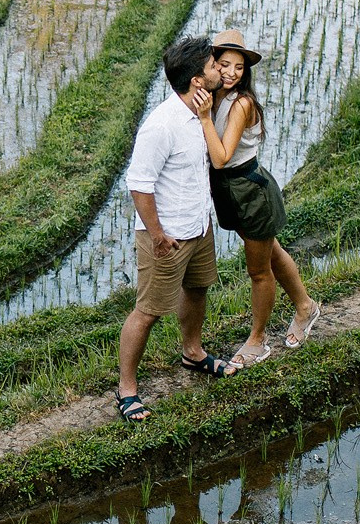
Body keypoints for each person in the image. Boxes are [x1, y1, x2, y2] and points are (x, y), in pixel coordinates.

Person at [116, 34, 235, 422]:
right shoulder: (161, 125)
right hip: (166, 238)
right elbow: (139, 183)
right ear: (197, 81)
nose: (220, 69)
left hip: (198, 227)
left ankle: (193, 352)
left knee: (198, 289)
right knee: (148, 312)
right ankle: (127, 389)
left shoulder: (201, 113)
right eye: (214, 65)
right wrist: (156, 234)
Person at [193, 29, 320, 368]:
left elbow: (220, 157)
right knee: (271, 251)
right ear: (212, 65)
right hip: (230, 191)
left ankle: (257, 340)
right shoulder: (214, 95)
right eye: (223, 64)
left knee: (259, 270)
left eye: (238, 67)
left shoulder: (242, 104)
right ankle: (305, 307)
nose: (231, 73)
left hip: (250, 191)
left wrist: (204, 118)